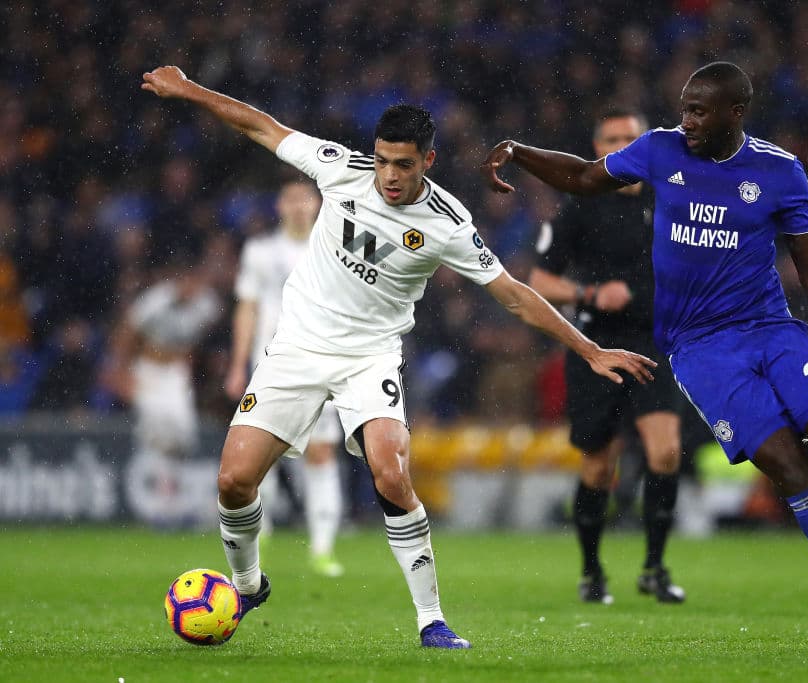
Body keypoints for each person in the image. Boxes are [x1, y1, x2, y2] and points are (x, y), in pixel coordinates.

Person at [141, 65, 656, 649]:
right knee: (234, 482)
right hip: (298, 347)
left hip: (370, 357)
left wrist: (588, 350)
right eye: (382, 160)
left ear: (427, 161)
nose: (388, 175)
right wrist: (188, 89)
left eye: (403, 164)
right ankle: (248, 583)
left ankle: (431, 619)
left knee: (391, 471)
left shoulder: (448, 223)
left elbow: (513, 294)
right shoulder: (341, 169)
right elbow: (261, 127)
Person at [481, 62, 808, 651]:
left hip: (774, 331)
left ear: (736, 113)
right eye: (684, 108)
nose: (687, 122)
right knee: (790, 469)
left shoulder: (779, 171)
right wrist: (520, 150)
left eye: (700, 112)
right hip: (700, 350)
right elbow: (582, 176)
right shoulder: (659, 150)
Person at [528, 107, 686, 605]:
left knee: (664, 451)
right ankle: (592, 570)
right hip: (598, 347)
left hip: (656, 342)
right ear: (597, 149)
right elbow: (538, 281)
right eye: (611, 137)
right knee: (598, 466)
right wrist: (592, 295)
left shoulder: (672, 202)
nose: (621, 145)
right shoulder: (578, 207)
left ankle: (655, 568)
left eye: (630, 138)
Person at [225, 180, 345, 578]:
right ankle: (262, 532)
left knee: (321, 452)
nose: (298, 206)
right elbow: (247, 308)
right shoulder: (260, 252)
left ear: (316, 204)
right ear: (280, 204)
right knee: (261, 455)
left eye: (304, 199)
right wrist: (237, 364)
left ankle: (323, 549)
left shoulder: (334, 246)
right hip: (271, 361)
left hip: (321, 360)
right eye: (291, 199)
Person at [102, 262, 221, 527]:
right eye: (185, 281)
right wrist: (121, 371)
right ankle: (160, 506)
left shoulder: (206, 304)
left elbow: (204, 339)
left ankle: (171, 501)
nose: (190, 288)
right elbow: (127, 331)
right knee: (156, 435)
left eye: (195, 281)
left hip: (175, 374)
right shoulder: (156, 300)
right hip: (148, 370)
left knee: (182, 434)